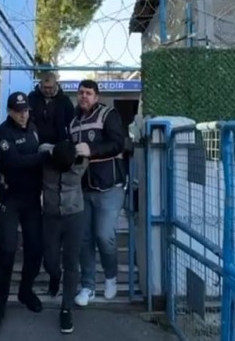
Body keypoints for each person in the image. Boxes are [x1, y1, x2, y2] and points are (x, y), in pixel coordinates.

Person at [0, 91, 51, 327]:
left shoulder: (32, 128)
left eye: (25, 111)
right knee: (6, 251)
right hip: (9, 199)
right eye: (18, 111)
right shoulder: (1, 134)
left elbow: (36, 155)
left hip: (32, 199)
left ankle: (26, 291)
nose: (23, 115)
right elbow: (14, 162)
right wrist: (44, 156)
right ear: (9, 111)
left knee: (35, 249)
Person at [69, 80, 127, 307]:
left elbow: (118, 144)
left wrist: (91, 150)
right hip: (83, 189)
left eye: (88, 93)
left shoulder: (108, 114)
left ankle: (111, 277)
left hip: (109, 187)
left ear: (97, 96)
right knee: (84, 239)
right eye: (81, 92)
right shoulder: (73, 122)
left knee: (104, 236)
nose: (84, 96)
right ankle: (88, 286)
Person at [39, 140, 88, 334]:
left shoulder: (80, 163)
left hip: (74, 215)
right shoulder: (46, 159)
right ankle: (54, 275)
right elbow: (42, 147)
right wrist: (53, 151)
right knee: (50, 259)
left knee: (71, 261)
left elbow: (88, 151)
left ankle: (66, 309)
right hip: (50, 216)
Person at [28, 72, 75, 145]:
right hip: (36, 142)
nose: (47, 90)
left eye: (50, 88)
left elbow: (71, 121)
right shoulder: (32, 98)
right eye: (45, 87)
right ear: (40, 84)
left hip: (59, 143)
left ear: (56, 84)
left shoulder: (64, 100)